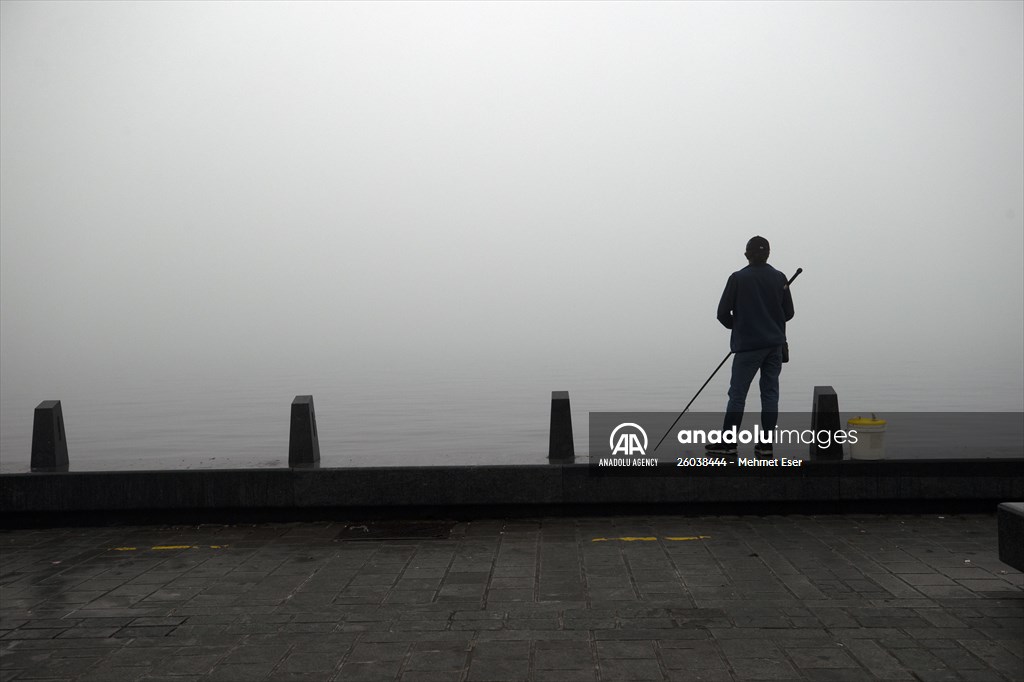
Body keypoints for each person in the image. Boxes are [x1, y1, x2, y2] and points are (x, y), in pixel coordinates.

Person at [707, 236, 794, 457]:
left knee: (737, 395)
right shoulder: (780, 278)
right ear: (768, 254)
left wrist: (739, 326)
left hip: (747, 348)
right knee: (770, 394)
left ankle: (728, 443)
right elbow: (789, 313)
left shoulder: (738, 279)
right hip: (774, 345)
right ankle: (766, 445)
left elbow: (722, 314)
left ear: (747, 254)